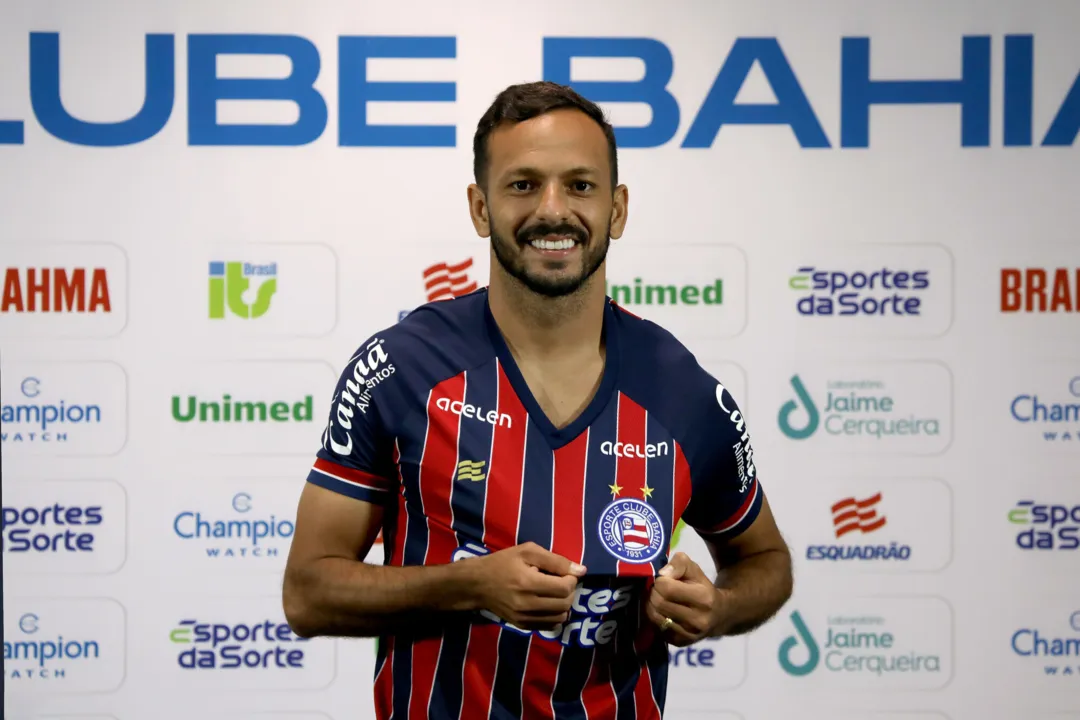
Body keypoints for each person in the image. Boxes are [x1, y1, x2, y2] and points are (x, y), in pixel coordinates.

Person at [282, 80, 793, 720]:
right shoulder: (401, 369)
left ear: (617, 209)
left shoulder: (685, 394)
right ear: (480, 207)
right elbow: (307, 593)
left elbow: (766, 561)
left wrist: (718, 608)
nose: (553, 210)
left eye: (580, 185)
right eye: (523, 184)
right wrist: (468, 585)